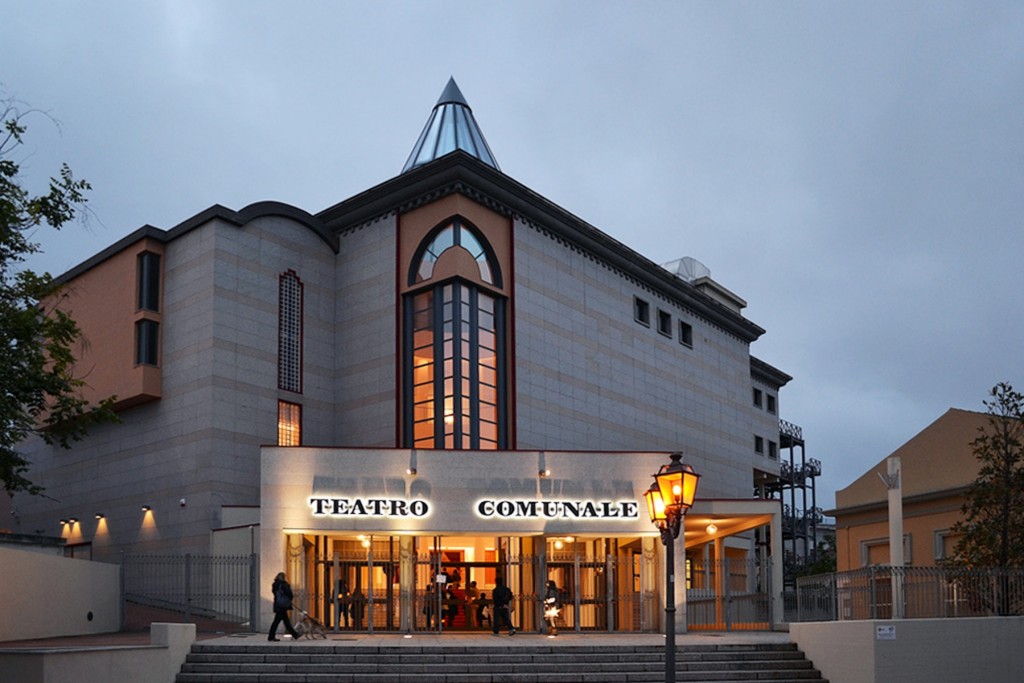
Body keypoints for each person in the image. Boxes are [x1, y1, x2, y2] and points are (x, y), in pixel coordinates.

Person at [268, 571, 300, 641]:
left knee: (285, 621)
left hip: (278, 604)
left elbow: (275, 594)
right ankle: (271, 636)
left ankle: (295, 634)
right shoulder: (283, 584)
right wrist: (289, 599)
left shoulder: (275, 585)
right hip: (282, 606)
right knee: (278, 622)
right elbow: (289, 594)